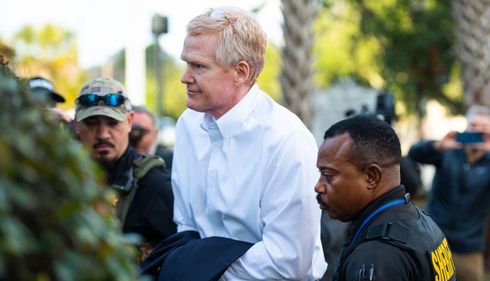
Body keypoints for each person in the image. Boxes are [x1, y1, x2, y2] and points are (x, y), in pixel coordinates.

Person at [171, 7, 326, 280]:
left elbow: (287, 262)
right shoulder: (188, 126)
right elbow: (186, 228)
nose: (185, 77)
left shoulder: (286, 140)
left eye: (198, 66)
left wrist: (201, 267)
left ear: (241, 72)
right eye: (186, 63)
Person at [316, 114, 455, 281]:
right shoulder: (420, 221)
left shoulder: (376, 255)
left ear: (371, 177)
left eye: (328, 175)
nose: (319, 186)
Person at [72, 77, 176, 260]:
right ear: (76, 126)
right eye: (91, 123)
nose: (103, 134)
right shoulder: (67, 180)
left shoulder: (153, 184)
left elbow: (179, 259)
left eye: (112, 123)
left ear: (129, 122)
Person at [408, 105, 490, 281]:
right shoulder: (448, 153)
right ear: (466, 127)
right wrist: (437, 145)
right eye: (473, 125)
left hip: (469, 249)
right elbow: (413, 154)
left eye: (484, 127)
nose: (478, 130)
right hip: (433, 241)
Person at [130, 105, 173, 172]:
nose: (137, 136)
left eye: (144, 132)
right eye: (132, 131)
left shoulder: (171, 162)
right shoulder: (114, 161)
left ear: (155, 134)